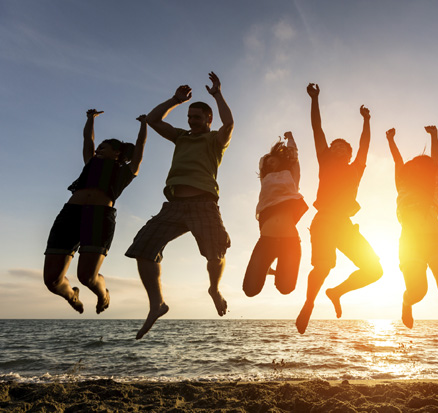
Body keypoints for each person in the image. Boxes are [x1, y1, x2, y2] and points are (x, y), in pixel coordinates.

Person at [126, 73, 234, 340]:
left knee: (216, 253)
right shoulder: (181, 137)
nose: (191, 121)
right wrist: (175, 100)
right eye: (189, 117)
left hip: (204, 203)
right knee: (143, 249)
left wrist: (217, 95)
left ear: (208, 119)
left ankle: (214, 289)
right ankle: (157, 304)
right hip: (173, 205)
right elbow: (152, 120)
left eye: (197, 117)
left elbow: (229, 122)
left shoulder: (215, 141)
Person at [296, 83, 383, 334]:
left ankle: (336, 292)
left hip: (344, 224)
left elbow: (365, 144)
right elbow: (317, 129)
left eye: (343, 148)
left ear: (349, 154)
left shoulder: (357, 168)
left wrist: (367, 120)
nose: (337, 148)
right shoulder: (325, 161)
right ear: (329, 151)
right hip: (323, 221)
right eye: (334, 146)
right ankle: (309, 303)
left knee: (374, 270)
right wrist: (315, 99)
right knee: (323, 266)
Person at [44, 109, 147, 314]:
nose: (98, 148)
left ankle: (103, 294)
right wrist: (90, 119)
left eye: (104, 147)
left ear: (117, 153)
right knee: (52, 280)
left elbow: (140, 148)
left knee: (87, 277)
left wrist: (144, 125)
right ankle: (72, 295)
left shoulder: (126, 171)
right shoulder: (90, 163)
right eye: (99, 146)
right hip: (70, 214)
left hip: (99, 218)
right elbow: (87, 139)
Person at [386, 126, 438, 338]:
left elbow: (435, 161)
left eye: (422, 167)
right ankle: (406, 303)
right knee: (418, 291)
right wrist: (391, 140)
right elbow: (397, 161)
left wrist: (435, 136)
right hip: (410, 242)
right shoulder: (402, 185)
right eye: (414, 166)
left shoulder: (434, 186)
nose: (417, 168)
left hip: (436, 239)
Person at [243, 132, 308, 297]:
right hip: (266, 241)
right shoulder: (265, 179)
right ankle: (267, 266)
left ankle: (273, 266)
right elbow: (262, 165)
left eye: (272, 160)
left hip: (290, 241)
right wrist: (265, 161)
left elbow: (294, 156)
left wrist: (291, 138)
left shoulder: (292, 176)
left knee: (286, 288)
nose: (269, 164)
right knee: (250, 290)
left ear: (280, 160)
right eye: (267, 163)